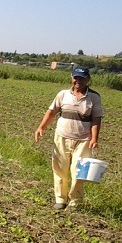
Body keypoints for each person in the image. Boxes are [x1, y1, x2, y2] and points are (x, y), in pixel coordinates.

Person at [34, 66, 103, 210]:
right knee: (59, 168)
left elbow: (96, 119)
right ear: (72, 78)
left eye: (82, 78)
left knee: (78, 171)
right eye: (76, 77)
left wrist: (94, 138)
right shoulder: (63, 94)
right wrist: (41, 127)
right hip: (62, 136)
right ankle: (60, 200)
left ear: (88, 79)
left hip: (83, 139)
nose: (78, 81)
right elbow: (52, 112)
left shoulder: (94, 97)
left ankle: (75, 202)